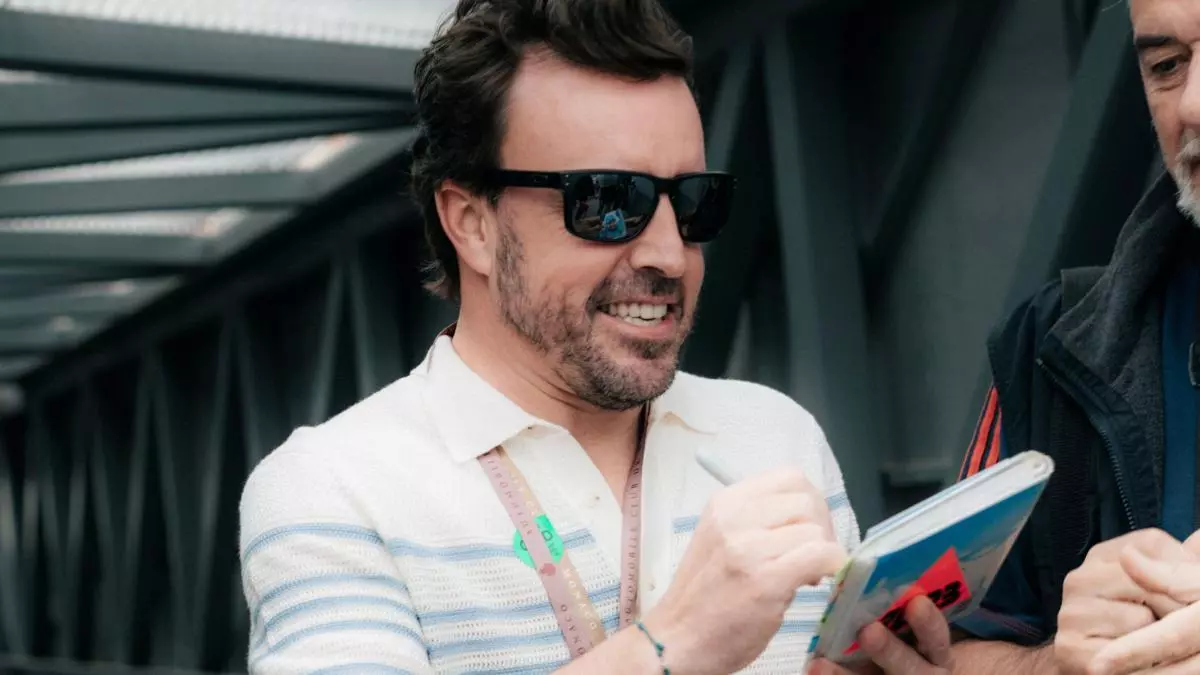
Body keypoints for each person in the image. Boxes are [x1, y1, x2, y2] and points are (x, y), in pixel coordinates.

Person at [238, 1, 954, 673]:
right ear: (472, 222)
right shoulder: (332, 490)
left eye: (695, 202)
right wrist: (672, 645)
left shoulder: (776, 437)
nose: (669, 254)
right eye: (609, 201)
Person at [947, 1, 1200, 673]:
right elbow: (939, 652)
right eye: (1167, 65)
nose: (1193, 105)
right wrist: (1056, 663)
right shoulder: (1052, 343)